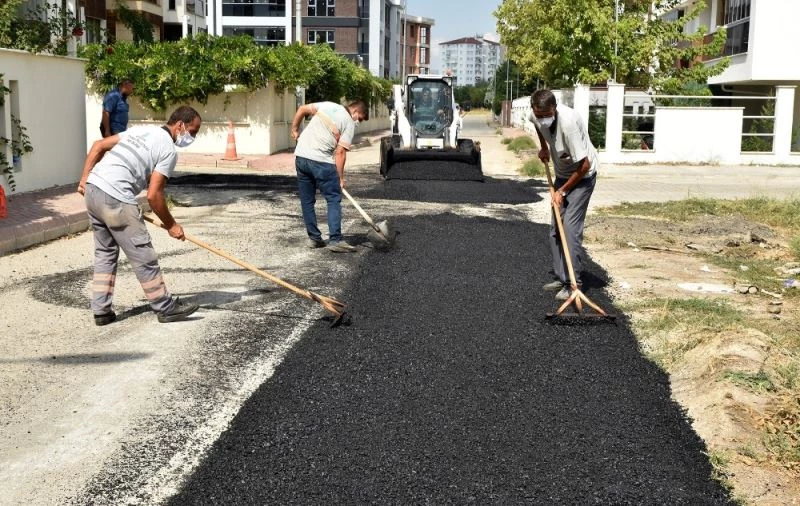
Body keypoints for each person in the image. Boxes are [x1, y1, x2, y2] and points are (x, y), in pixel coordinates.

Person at [77, 105, 203, 325]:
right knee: (143, 253)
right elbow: (154, 196)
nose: (193, 136)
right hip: (116, 196)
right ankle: (165, 307)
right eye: (193, 131)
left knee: (105, 252)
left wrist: (83, 179)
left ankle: (101, 311)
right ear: (180, 125)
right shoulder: (168, 150)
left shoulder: (140, 130)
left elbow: (98, 146)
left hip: (94, 189)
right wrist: (172, 225)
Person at [530, 89, 599, 302]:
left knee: (569, 228)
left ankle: (574, 284)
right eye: (539, 115)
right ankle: (562, 277)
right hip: (562, 175)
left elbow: (584, 165)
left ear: (554, 108)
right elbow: (538, 127)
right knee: (555, 230)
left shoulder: (568, 125)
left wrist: (563, 190)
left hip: (583, 178)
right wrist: (543, 148)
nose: (542, 119)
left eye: (546, 115)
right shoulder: (535, 115)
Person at [290, 100, 369, 253]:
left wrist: (294, 130)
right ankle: (336, 239)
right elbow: (340, 153)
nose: (358, 122)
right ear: (355, 112)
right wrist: (340, 177)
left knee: (307, 200)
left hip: (301, 157)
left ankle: (314, 238)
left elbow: (301, 109)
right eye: (359, 118)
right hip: (321, 162)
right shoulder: (348, 122)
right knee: (333, 198)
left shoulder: (327, 105)